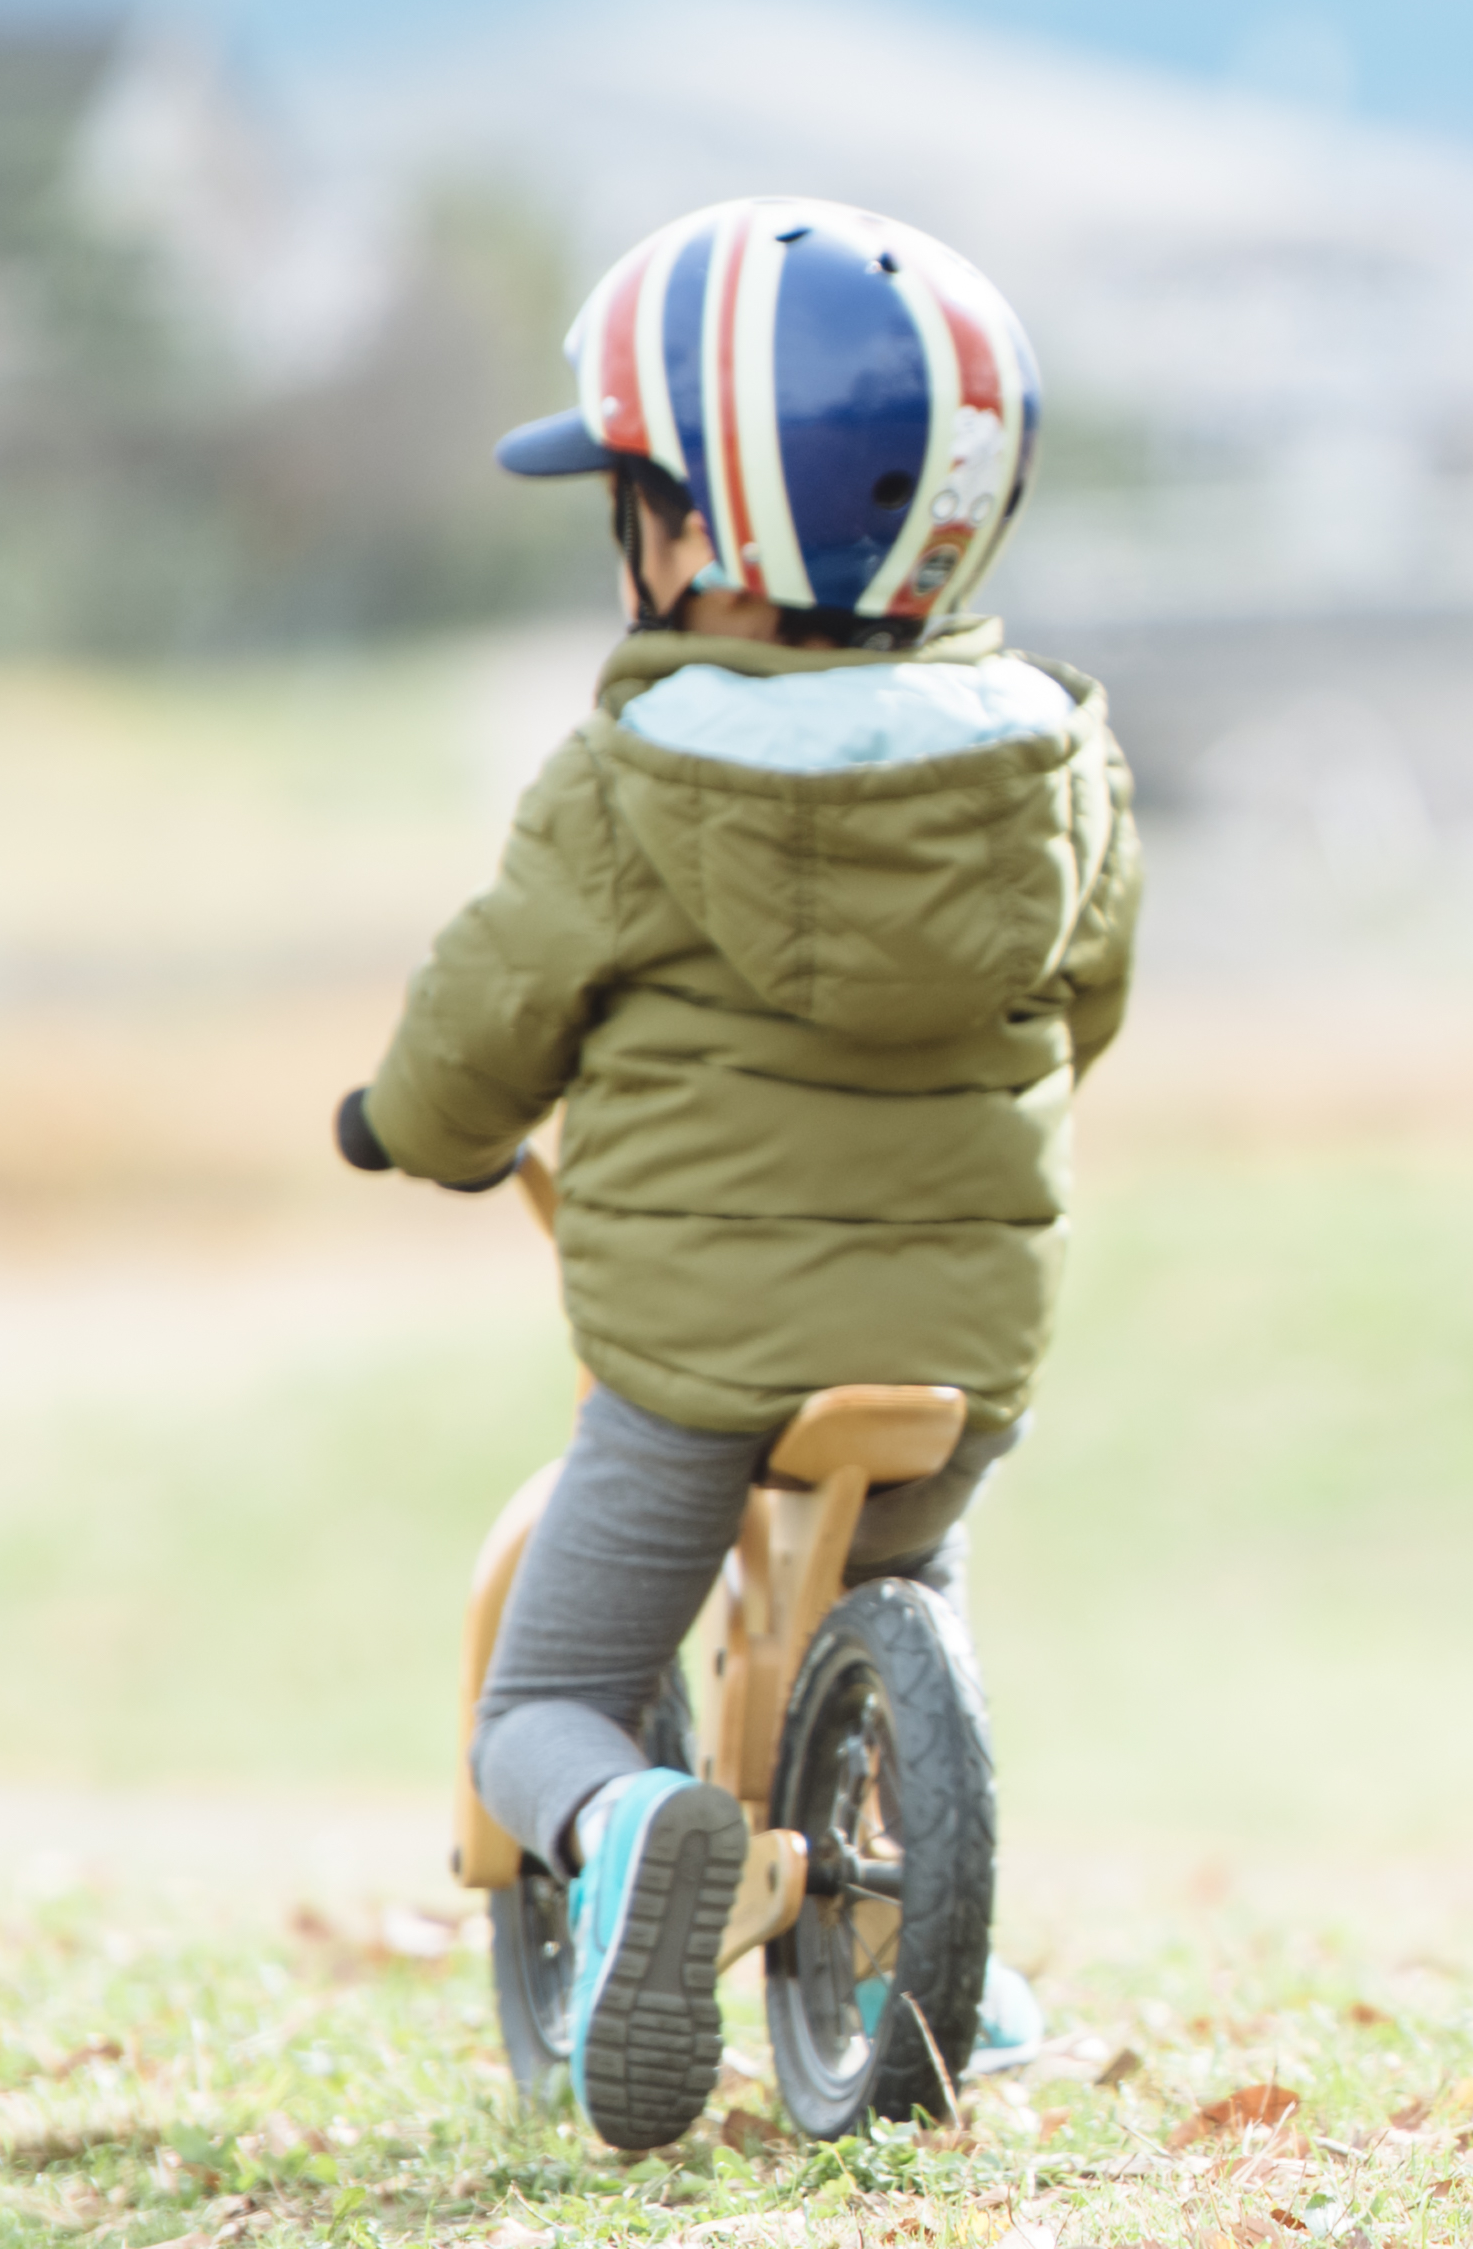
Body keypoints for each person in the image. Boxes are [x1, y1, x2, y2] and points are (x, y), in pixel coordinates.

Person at [334, 198, 1138, 2150]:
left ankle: (630, 1834)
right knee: (905, 1570)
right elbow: (1085, 1007)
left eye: (632, 497)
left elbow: (488, 1020)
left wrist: (409, 1129)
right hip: (962, 1335)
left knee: (548, 1697)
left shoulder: (632, 784)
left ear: (697, 532)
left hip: (693, 1359)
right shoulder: (1052, 770)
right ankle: (927, 1933)